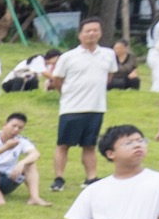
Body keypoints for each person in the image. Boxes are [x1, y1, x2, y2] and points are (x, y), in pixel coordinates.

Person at [46, 18, 117, 191]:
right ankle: (59, 178)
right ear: (80, 34)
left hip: (96, 107)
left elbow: (109, 75)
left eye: (95, 30)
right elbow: (57, 79)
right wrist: (67, 94)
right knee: (64, 144)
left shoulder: (108, 54)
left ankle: (91, 177)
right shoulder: (68, 57)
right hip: (72, 107)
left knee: (90, 144)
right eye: (87, 30)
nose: (91, 34)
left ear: (100, 33)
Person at [0, 111, 49, 205]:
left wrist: (22, 163)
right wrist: (5, 148)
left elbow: (36, 154)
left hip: (8, 179)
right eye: (14, 126)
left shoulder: (21, 140)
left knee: (31, 163)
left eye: (20, 128)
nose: (16, 130)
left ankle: (34, 197)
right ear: (5, 124)